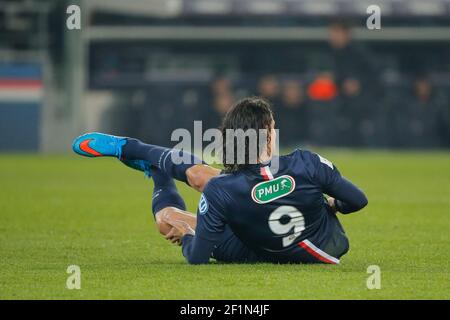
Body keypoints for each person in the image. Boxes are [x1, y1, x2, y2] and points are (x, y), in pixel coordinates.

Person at [72, 97, 368, 264]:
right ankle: (130, 147)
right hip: (300, 244)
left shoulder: (224, 189)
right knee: (198, 185)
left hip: (250, 249)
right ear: (268, 133)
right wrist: (333, 204)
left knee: (168, 219)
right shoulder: (309, 163)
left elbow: (197, 257)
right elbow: (358, 200)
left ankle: (158, 174)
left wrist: (189, 235)